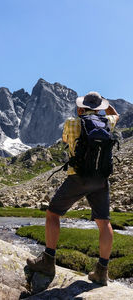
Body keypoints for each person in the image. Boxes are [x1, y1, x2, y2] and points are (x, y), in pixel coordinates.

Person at [27, 91, 120, 286]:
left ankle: (48, 261)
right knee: (104, 223)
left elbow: (65, 140)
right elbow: (116, 114)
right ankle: (102, 271)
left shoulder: (73, 122)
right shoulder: (108, 122)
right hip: (101, 180)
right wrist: (105, 108)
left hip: (77, 178)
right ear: (99, 107)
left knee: (53, 214)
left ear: (81, 107)